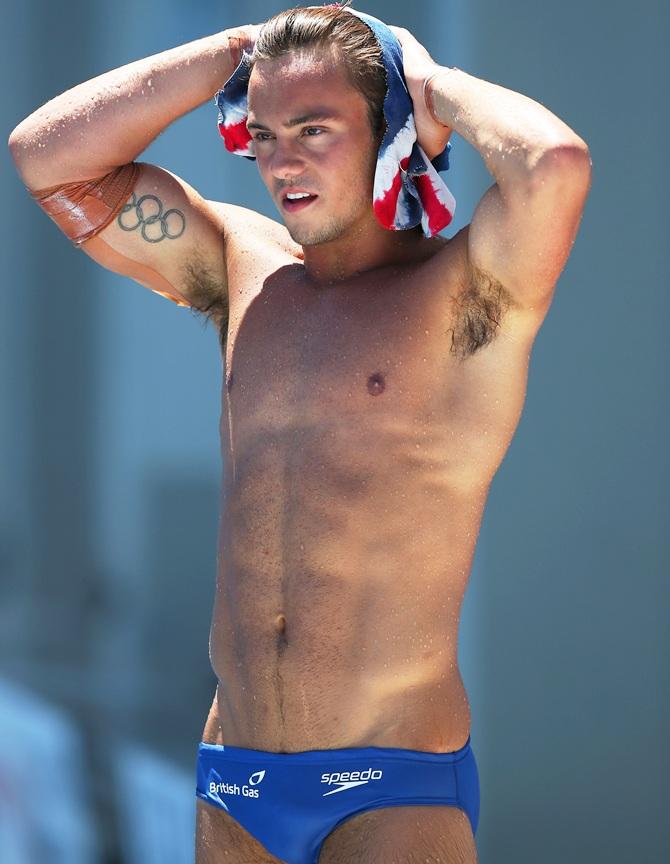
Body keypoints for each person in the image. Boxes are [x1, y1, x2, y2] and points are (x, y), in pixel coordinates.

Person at [8, 2, 592, 862]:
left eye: (314, 128)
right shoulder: (242, 270)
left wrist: (430, 82)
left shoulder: (466, 294)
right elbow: (47, 160)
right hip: (234, 779)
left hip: (389, 783)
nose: (282, 161)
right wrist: (234, 55)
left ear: (391, 128)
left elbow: (554, 165)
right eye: (266, 132)